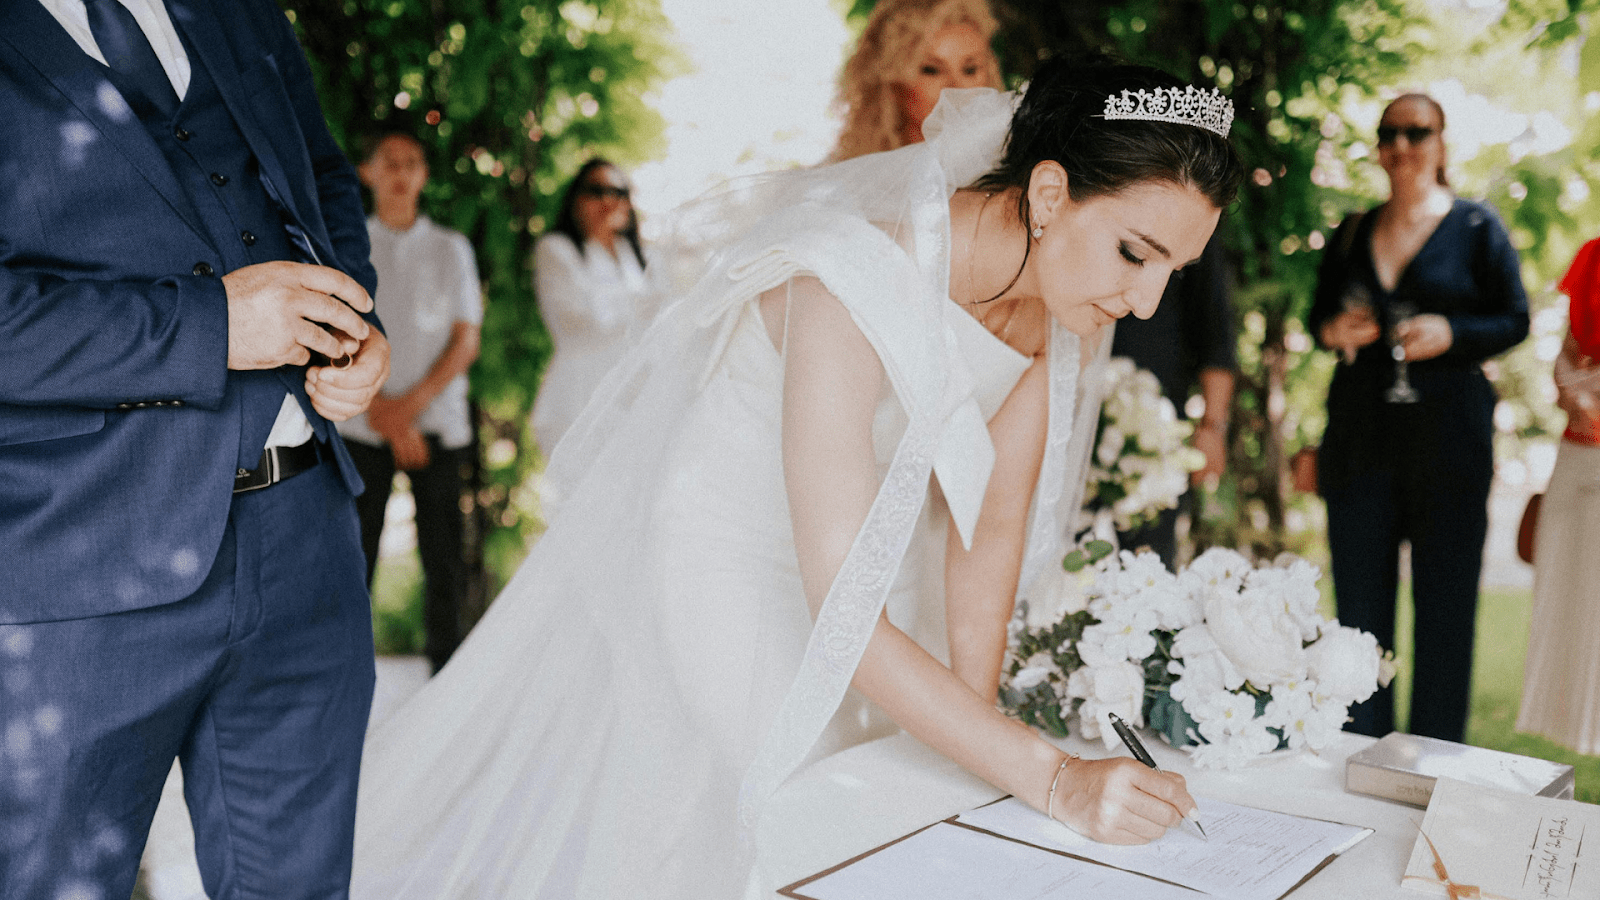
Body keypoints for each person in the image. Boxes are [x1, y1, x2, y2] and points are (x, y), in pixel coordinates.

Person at [347, 60, 1242, 898]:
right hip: (729, 560)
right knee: (792, 806)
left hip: (864, 570)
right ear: (1049, 194)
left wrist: (983, 742)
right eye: (1136, 253)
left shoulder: (1059, 314)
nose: (1150, 302)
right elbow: (844, 618)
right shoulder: (849, 276)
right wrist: (1051, 776)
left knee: (914, 785)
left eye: (1175, 270)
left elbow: (989, 530)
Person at [0, 1, 388, 898]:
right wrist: (212, 326)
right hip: (78, 568)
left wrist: (354, 321)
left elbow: (322, 177)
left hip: (305, 539)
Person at [1307, 93, 1529, 743]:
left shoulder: (1479, 228)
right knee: (1358, 615)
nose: (1402, 146)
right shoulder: (1352, 230)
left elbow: (1515, 318)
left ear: (1441, 142)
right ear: (1378, 148)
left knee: (1445, 610)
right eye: (1389, 134)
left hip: (1450, 443)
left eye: (1417, 132)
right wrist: (1334, 328)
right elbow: (1315, 318)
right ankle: (1358, 753)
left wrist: (1451, 331)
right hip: (1359, 441)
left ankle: (1435, 766)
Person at [341, 132, 483, 673]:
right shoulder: (349, 244)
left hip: (437, 424)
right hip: (361, 423)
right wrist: (383, 410)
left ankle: (447, 678)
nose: (401, 172)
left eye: (413, 163)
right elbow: (339, 330)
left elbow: (465, 338)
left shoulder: (451, 247)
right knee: (356, 557)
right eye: (389, 162)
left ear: (424, 175)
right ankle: (347, 675)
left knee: (445, 560)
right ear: (367, 171)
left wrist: (408, 410)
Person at [1516, 237, 1600, 755]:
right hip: (1578, 451)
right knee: (1573, 603)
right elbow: (1569, 350)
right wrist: (1579, 389)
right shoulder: (1594, 255)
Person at [1111, 235, 1237, 566]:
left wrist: (1212, 426)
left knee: (1146, 569)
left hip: (1157, 437)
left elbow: (1216, 335)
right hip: (1068, 412)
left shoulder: (1194, 217)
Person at [528, 158, 649, 453]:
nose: (609, 201)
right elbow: (582, 324)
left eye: (619, 193)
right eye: (597, 191)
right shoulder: (556, 250)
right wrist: (646, 311)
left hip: (636, 397)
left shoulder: (637, 257)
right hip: (579, 398)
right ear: (576, 198)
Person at [831, 0, 1004, 161]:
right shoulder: (852, 181)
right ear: (892, 81)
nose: (956, 88)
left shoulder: (1014, 177)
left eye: (970, 70)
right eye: (931, 70)